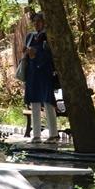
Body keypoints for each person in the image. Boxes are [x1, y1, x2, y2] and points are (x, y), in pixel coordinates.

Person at [22, 11, 57, 142]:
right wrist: (27, 52)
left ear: (44, 22)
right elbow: (26, 54)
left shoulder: (48, 36)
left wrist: (36, 54)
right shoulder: (30, 36)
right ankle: (36, 135)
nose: (36, 24)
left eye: (39, 21)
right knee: (34, 102)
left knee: (48, 101)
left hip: (44, 72)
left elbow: (51, 55)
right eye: (34, 21)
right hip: (32, 73)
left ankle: (53, 134)